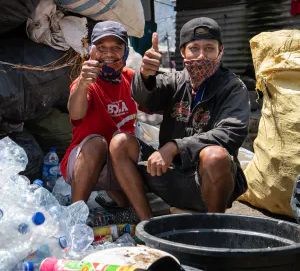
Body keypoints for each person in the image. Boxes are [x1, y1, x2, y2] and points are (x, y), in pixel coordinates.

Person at [109, 17, 250, 220]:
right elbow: (147, 100)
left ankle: (215, 228)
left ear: (221, 51)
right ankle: (146, 223)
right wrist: (145, 75)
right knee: (120, 142)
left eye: (209, 48)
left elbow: (230, 133)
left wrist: (175, 147)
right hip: (171, 176)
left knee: (215, 156)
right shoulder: (173, 81)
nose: (202, 56)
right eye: (194, 48)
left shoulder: (233, 87)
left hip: (207, 183)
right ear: (183, 52)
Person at [60, 21, 137, 206]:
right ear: (92, 51)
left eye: (116, 48)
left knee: (126, 145)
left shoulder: (132, 78)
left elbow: (156, 104)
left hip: (120, 163)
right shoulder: (85, 82)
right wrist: (84, 83)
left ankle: (129, 208)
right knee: (96, 143)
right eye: (102, 48)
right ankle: (77, 212)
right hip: (85, 161)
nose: (109, 55)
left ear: (126, 50)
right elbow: (76, 113)